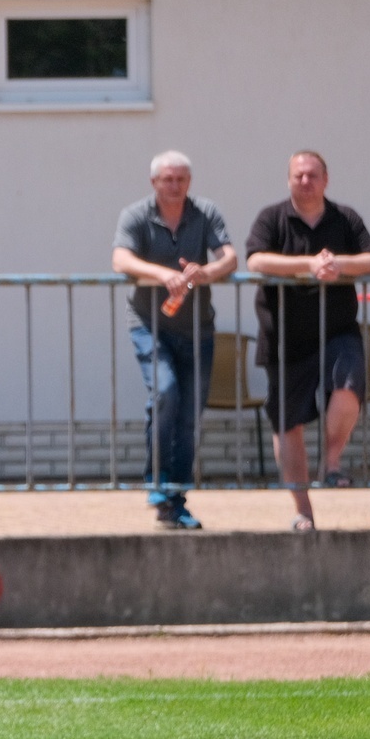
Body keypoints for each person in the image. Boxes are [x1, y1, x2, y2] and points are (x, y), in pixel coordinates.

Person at [246, 151, 370, 530]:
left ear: (326, 179)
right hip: (283, 339)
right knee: (287, 424)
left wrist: (339, 264)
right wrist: (308, 265)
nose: (305, 181)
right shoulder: (272, 218)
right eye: (299, 176)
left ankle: (331, 463)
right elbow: (255, 261)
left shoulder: (345, 218)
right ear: (289, 180)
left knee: (348, 386)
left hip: (337, 332)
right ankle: (303, 511)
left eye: (312, 175)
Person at [111, 150, 238, 530]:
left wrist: (206, 272)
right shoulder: (135, 214)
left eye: (181, 179)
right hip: (149, 324)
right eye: (167, 179)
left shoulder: (205, 212)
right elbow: (121, 260)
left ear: (189, 182)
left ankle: (175, 501)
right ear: (154, 182)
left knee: (189, 416)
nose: (175, 185)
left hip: (198, 328)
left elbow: (230, 258)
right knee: (165, 391)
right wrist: (162, 274)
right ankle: (156, 478)